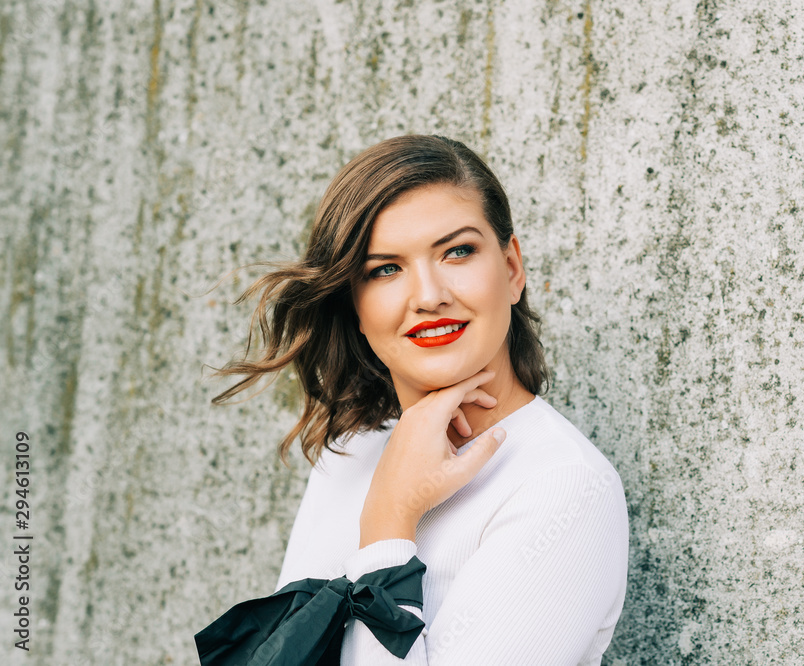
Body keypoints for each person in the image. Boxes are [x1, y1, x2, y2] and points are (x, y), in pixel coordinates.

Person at [196, 135, 629, 665]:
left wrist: (390, 525)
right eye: (385, 269)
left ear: (512, 268)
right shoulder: (352, 452)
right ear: (353, 304)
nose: (428, 295)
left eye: (457, 251)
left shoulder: (565, 489)